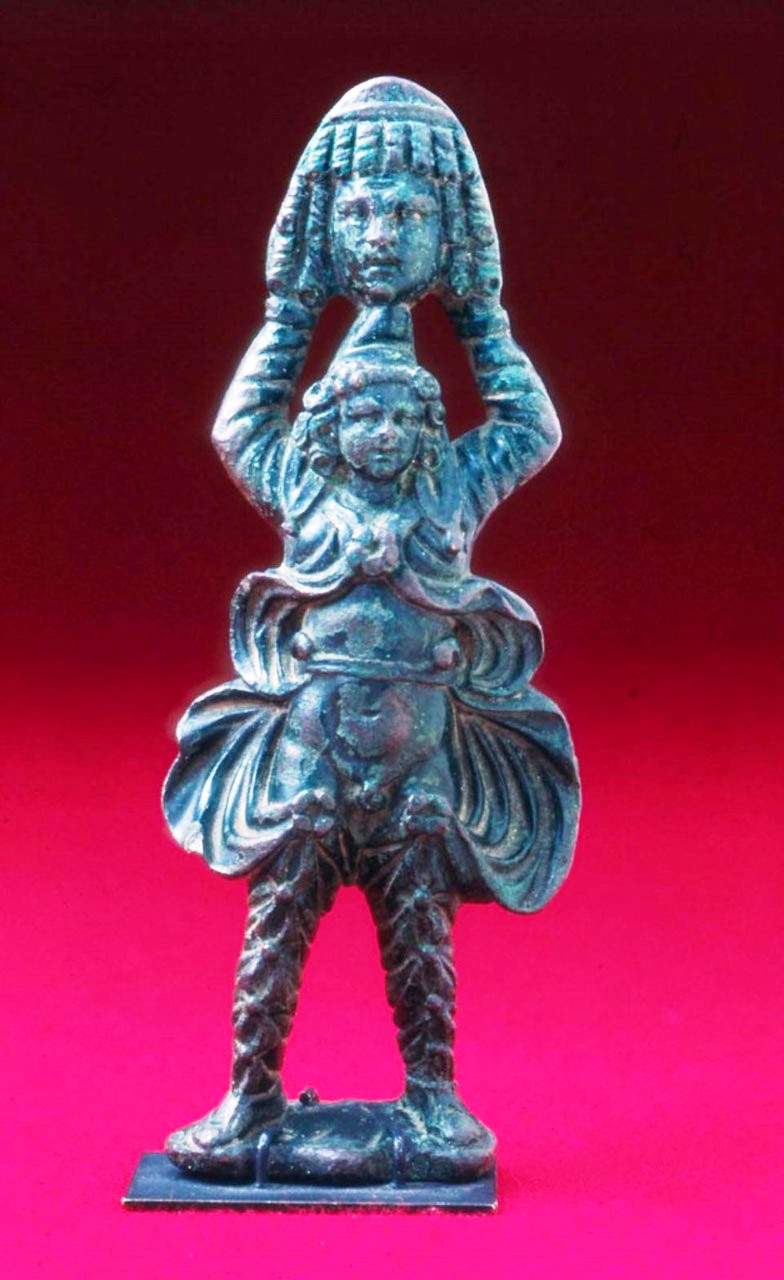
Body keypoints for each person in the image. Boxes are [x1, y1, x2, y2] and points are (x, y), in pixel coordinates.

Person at [162, 79, 580, 1183]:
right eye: (362, 415)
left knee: (421, 942)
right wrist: (291, 310)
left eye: (403, 416)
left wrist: (479, 308)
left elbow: (530, 424)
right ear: (328, 425)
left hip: (418, 768)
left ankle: (434, 1102)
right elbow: (239, 424)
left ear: (432, 430)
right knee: (274, 932)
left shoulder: (450, 495)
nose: (384, 432)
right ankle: (249, 1098)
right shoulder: (306, 496)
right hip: (307, 759)